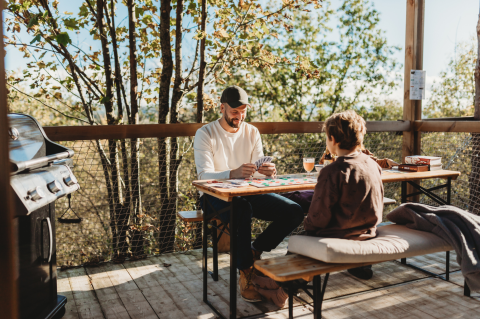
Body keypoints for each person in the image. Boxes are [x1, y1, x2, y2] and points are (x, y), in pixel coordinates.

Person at [194, 85, 305, 302]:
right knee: (242, 209)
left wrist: (268, 173)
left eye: (243, 110)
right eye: (235, 111)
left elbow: (258, 174)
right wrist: (232, 173)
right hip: (212, 196)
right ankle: (245, 271)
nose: (240, 116)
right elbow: (203, 176)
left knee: (294, 211)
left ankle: (255, 250)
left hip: (247, 190)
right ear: (222, 108)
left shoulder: (252, 131)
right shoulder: (205, 133)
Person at [303, 110, 385, 279]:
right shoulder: (373, 165)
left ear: (332, 139)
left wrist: (307, 224)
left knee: (300, 241)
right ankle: (359, 266)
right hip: (369, 233)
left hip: (340, 236)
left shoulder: (331, 171)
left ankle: (284, 289)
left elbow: (318, 219)